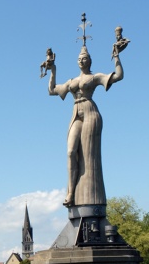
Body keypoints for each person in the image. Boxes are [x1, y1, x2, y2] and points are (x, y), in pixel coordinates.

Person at [47, 35, 124, 207]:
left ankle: (85, 194)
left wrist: (117, 55)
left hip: (90, 112)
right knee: (70, 152)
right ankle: (70, 192)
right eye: (79, 59)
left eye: (84, 58)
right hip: (76, 113)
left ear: (89, 60)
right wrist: (53, 70)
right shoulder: (72, 81)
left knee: (89, 156)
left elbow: (119, 76)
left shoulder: (95, 77)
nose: (82, 61)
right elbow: (52, 90)